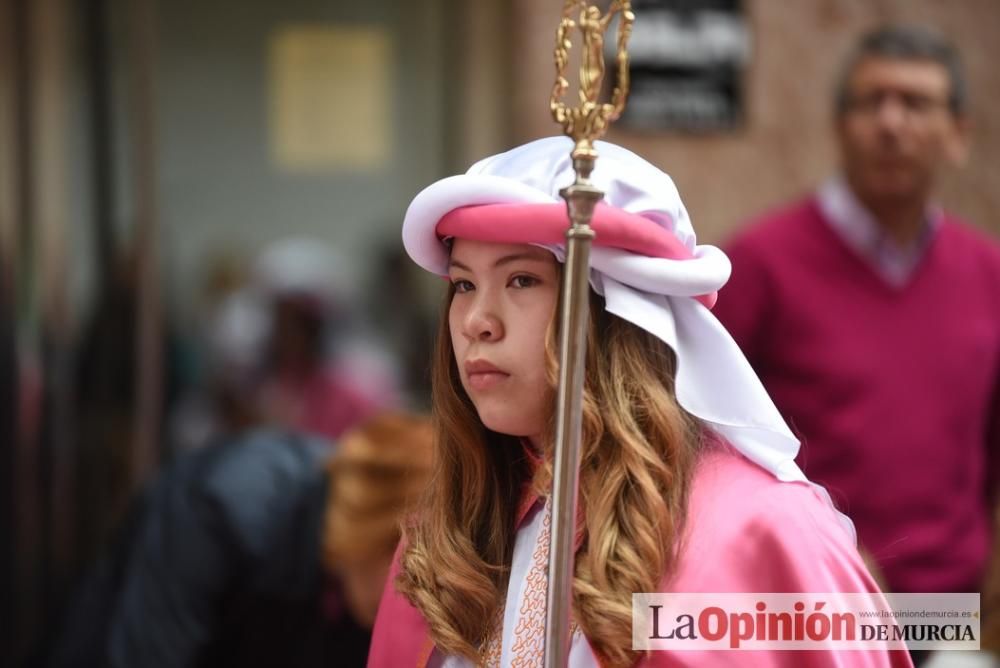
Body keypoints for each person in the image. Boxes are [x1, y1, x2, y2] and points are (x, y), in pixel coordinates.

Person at [367, 137, 913, 666]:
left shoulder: (758, 532)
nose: (476, 323)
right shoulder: (447, 534)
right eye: (463, 285)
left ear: (619, 312)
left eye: (522, 280)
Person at [712, 23, 1000, 626]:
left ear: (959, 135)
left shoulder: (988, 273)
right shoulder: (760, 264)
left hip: (950, 613)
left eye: (916, 104)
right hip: (805, 603)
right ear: (840, 126)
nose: (891, 123)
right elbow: (706, 436)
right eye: (871, 102)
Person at [46, 412, 433, 668]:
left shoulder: (351, 591)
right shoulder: (223, 509)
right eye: (412, 563)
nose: (415, 599)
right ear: (376, 524)